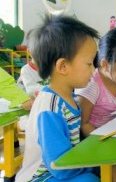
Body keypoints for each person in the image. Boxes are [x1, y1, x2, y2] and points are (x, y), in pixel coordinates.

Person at [15, 16, 100, 182]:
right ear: (63, 66)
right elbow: (59, 166)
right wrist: (91, 163)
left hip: (58, 171)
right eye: (89, 64)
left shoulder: (70, 98)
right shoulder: (51, 107)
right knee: (90, 179)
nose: (94, 70)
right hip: (41, 177)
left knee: (96, 174)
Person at [17, 29, 43, 98]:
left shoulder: (50, 68)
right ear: (29, 52)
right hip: (26, 100)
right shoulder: (26, 70)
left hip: (42, 98)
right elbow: (31, 90)